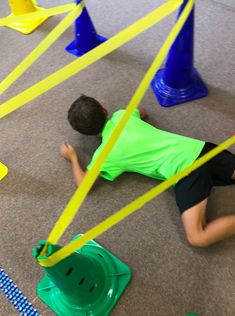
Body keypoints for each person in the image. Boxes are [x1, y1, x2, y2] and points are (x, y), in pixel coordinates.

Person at [60, 95, 235, 247]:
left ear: (85, 134)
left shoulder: (105, 155)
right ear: (104, 110)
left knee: (198, 237)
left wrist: (73, 158)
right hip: (199, 148)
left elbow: (84, 185)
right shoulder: (122, 115)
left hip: (185, 171)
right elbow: (141, 111)